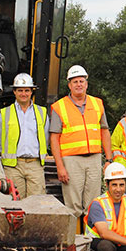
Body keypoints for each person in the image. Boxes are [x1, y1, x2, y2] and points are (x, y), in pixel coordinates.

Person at [50, 65, 113, 217]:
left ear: (86, 83)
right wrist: (60, 167)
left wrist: (109, 159)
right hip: (71, 161)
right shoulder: (59, 106)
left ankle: (91, 239)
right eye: (75, 81)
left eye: (81, 81)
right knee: (73, 206)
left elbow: (105, 131)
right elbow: (54, 138)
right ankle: (74, 239)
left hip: (94, 159)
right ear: (69, 85)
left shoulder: (97, 103)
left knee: (93, 204)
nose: (79, 84)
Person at [0, 73, 48, 199]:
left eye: (27, 90)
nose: (23, 94)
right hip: (13, 166)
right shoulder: (4, 113)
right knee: (15, 202)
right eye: (20, 90)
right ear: (14, 92)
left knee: (36, 204)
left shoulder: (42, 112)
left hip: (35, 165)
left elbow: (45, 138)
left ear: (31, 92)